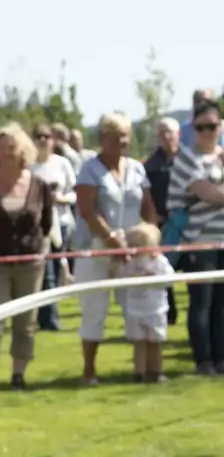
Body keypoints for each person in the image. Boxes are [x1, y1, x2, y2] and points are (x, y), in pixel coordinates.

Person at [0, 124, 54, 396]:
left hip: (31, 265)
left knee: (26, 323)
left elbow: (47, 224)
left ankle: (18, 376)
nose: (5, 153)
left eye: (11, 148)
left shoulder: (39, 186)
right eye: (0, 148)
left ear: (23, 151)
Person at [73, 113, 158, 385]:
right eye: (114, 137)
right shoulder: (89, 169)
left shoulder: (137, 168)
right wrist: (113, 241)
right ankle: (89, 370)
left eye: (125, 136)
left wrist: (150, 235)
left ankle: (141, 369)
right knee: (94, 308)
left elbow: (148, 205)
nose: (121, 142)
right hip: (95, 248)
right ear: (102, 139)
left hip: (133, 250)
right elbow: (87, 210)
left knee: (138, 306)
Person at [167, 100, 224, 375]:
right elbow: (211, 196)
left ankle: (221, 358)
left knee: (222, 302)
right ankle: (204, 361)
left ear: (220, 126)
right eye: (201, 127)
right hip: (198, 241)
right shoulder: (186, 159)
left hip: (222, 240)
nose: (207, 132)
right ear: (194, 129)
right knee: (201, 301)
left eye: (212, 126)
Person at [30, 123, 76, 332]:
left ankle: (44, 314)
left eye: (46, 136)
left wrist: (61, 198)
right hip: (38, 226)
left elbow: (76, 193)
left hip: (62, 221)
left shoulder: (62, 163)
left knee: (57, 270)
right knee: (45, 271)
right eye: (38, 136)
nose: (42, 140)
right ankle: (50, 320)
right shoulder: (29, 165)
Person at [115, 223, 174, 383]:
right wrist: (130, 272)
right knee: (139, 343)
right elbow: (121, 279)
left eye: (138, 245)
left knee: (156, 342)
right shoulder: (129, 263)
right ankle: (139, 372)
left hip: (156, 309)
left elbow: (169, 280)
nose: (134, 248)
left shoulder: (160, 261)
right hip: (135, 310)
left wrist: (154, 277)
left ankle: (157, 371)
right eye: (131, 244)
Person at [144, 117, 181, 325]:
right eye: (162, 133)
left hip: (192, 223)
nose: (166, 136)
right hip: (163, 224)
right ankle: (169, 311)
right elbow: (147, 196)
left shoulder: (189, 159)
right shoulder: (150, 165)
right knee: (164, 268)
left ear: (178, 134)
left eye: (170, 132)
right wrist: (154, 216)